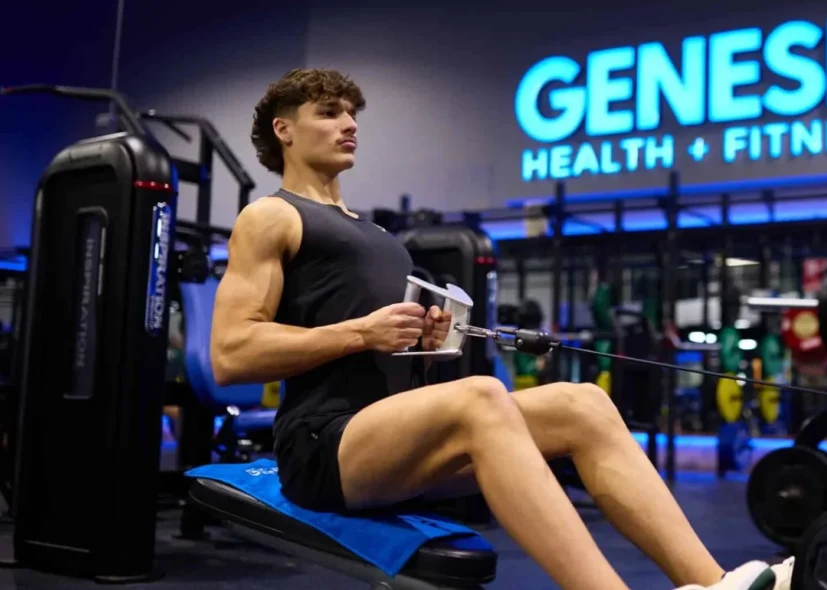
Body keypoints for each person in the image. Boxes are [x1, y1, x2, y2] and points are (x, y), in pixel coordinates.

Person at [210, 68, 794, 590]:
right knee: (484, 396)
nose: (350, 124)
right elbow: (231, 354)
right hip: (323, 445)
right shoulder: (272, 215)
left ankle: (709, 582)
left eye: (353, 113)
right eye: (329, 112)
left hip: (388, 440)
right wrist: (362, 334)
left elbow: (371, 341)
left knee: (583, 404)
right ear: (284, 130)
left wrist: (420, 339)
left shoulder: (376, 234)